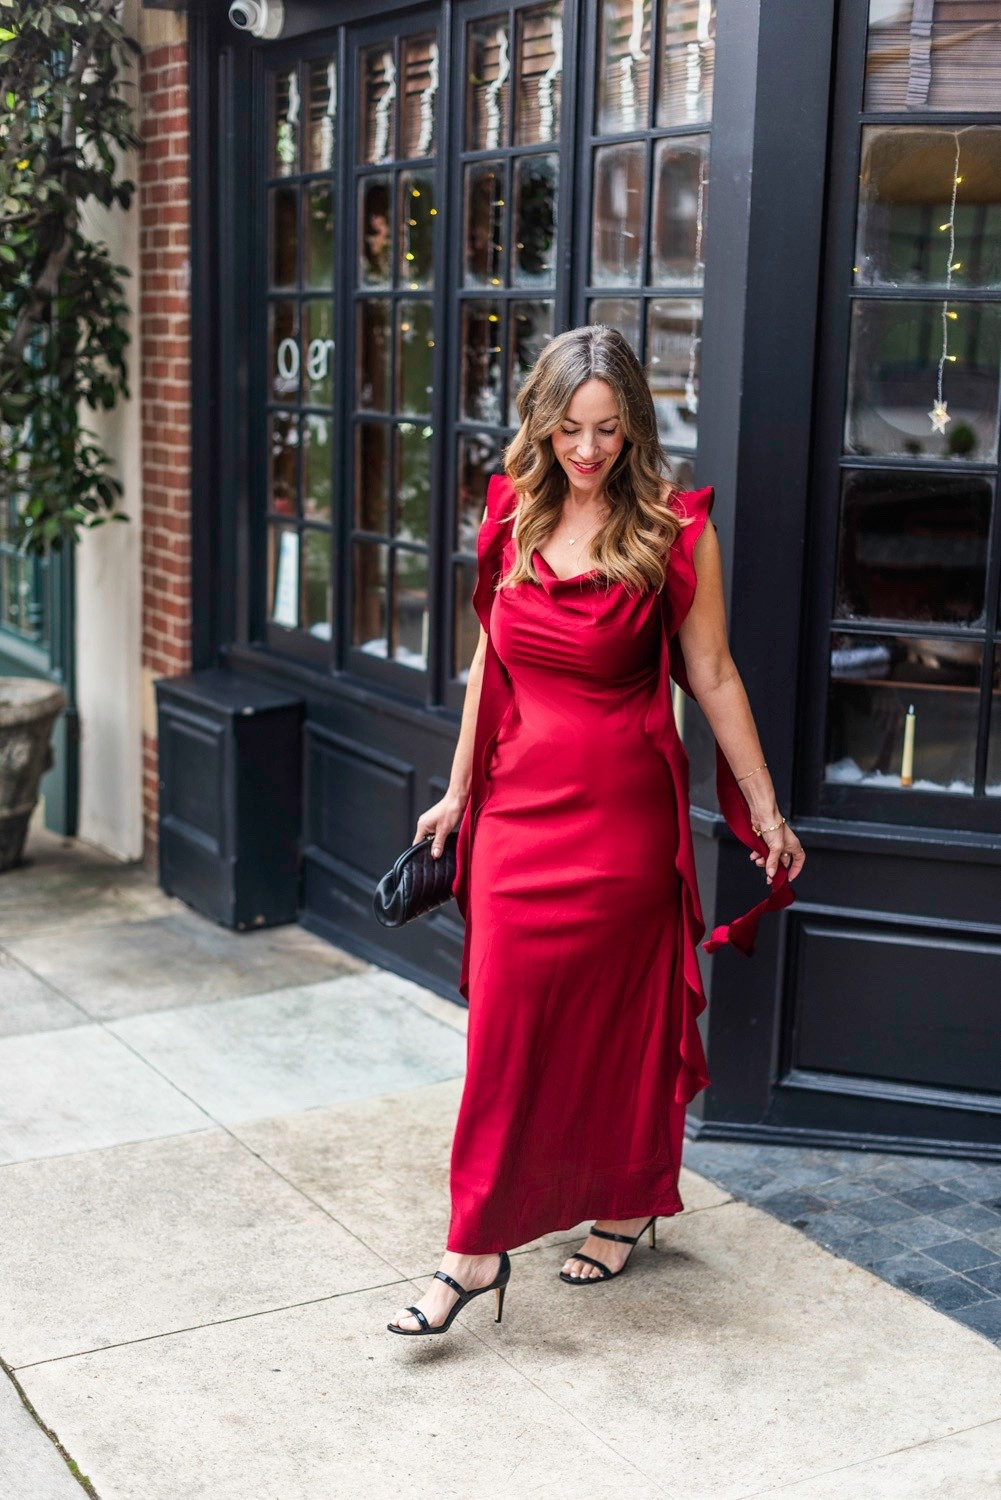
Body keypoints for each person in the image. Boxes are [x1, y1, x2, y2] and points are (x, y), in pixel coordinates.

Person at [387, 324, 806, 1337]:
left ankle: (619, 1204)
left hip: (621, 821)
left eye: (607, 430)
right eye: (569, 429)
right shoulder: (511, 517)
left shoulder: (670, 529)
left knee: (619, 1022)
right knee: (504, 1026)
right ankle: (476, 1247)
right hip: (514, 814)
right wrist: (455, 794)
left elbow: (709, 675)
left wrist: (759, 804)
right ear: (541, 423)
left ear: (633, 426)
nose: (586, 450)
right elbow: (490, 667)